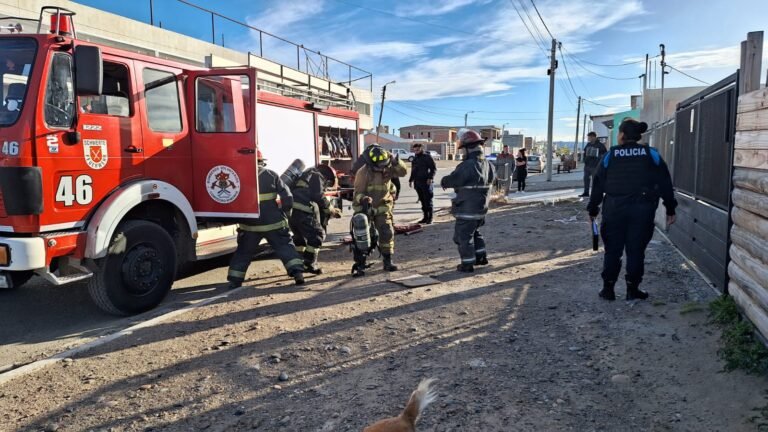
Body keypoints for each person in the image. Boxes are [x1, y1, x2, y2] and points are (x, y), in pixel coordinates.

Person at [587, 119, 677, 301]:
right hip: (642, 210)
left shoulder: (610, 156)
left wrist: (593, 208)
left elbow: (597, 184)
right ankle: (632, 289)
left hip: (614, 210)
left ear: (621, 134)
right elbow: (665, 182)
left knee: (613, 251)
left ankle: (608, 289)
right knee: (636, 251)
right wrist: (670, 208)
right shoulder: (651, 154)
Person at [227, 151, 305, 288]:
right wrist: (284, 211)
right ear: (261, 161)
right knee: (285, 247)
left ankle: (235, 279)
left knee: (244, 252)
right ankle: (297, 273)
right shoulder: (271, 175)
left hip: (249, 224)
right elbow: (287, 196)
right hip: (273, 223)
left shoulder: (238, 176)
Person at [441, 128, 496, 273]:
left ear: (468, 148)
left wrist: (444, 181)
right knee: (475, 232)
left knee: (462, 237)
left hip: (467, 209)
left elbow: (453, 180)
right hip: (481, 209)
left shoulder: (467, 165)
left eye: (463, 149)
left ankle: (467, 264)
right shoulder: (489, 165)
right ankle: (481, 257)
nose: (462, 152)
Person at [351, 146, 407, 276]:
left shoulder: (388, 166)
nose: (382, 169)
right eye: (379, 166)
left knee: (387, 233)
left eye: (384, 165)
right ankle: (360, 263)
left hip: (383, 207)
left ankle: (388, 261)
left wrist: (395, 160)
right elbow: (357, 193)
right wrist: (363, 198)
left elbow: (403, 172)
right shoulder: (363, 172)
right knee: (364, 236)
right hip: (366, 209)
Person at [289, 166, 342, 275]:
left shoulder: (305, 175)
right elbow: (318, 195)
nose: (326, 186)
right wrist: (331, 210)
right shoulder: (317, 176)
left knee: (300, 240)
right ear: (327, 176)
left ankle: (297, 266)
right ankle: (309, 264)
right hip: (302, 212)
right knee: (318, 235)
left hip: (292, 213)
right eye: (328, 183)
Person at [408, 143, 437, 224]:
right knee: (422, 200)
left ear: (421, 149)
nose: (416, 151)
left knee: (428, 200)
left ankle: (430, 218)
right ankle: (425, 217)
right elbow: (413, 170)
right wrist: (411, 180)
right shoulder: (415, 158)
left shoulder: (427, 157)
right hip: (417, 182)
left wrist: (430, 178)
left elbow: (433, 168)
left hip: (426, 182)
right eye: (415, 150)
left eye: (417, 150)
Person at [581, 132, 607, 197]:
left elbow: (604, 154)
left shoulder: (600, 145)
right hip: (587, 165)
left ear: (594, 137)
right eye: (588, 137)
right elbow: (585, 152)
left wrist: (597, 156)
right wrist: (585, 159)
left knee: (595, 180)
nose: (588, 138)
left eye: (589, 137)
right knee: (586, 179)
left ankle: (594, 193)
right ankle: (586, 193)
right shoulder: (588, 144)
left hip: (595, 165)